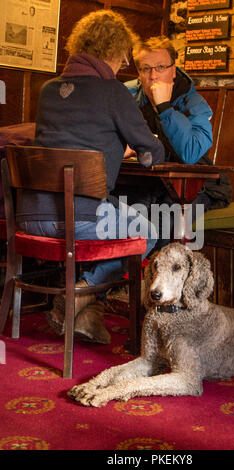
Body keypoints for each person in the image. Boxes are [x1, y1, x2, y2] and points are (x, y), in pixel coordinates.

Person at [16, 11, 165, 340]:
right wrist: (140, 149)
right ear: (113, 52)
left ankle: (88, 318)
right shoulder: (114, 93)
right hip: (81, 219)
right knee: (148, 231)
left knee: (110, 219)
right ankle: (81, 293)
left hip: (29, 217)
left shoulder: (47, 90)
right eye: (124, 56)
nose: (123, 63)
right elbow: (153, 154)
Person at [115, 36, 232, 248]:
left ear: (173, 70)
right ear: (139, 72)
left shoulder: (193, 102)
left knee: (163, 225)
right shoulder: (126, 94)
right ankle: (127, 277)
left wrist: (165, 107)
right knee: (123, 221)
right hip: (142, 182)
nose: (153, 75)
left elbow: (191, 153)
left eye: (160, 67)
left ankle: (147, 278)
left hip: (193, 186)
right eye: (146, 68)